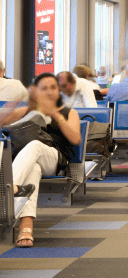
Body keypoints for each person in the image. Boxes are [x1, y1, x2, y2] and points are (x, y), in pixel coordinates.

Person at [0, 73, 81, 248]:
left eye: (53, 87)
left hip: (56, 160)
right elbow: (1, 121)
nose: (49, 91)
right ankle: (26, 227)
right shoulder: (27, 111)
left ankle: (6, 190)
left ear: (59, 91)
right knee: (34, 169)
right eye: (44, 88)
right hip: (30, 161)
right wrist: (16, 100)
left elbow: (75, 139)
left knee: (35, 145)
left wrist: (56, 116)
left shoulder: (68, 112)